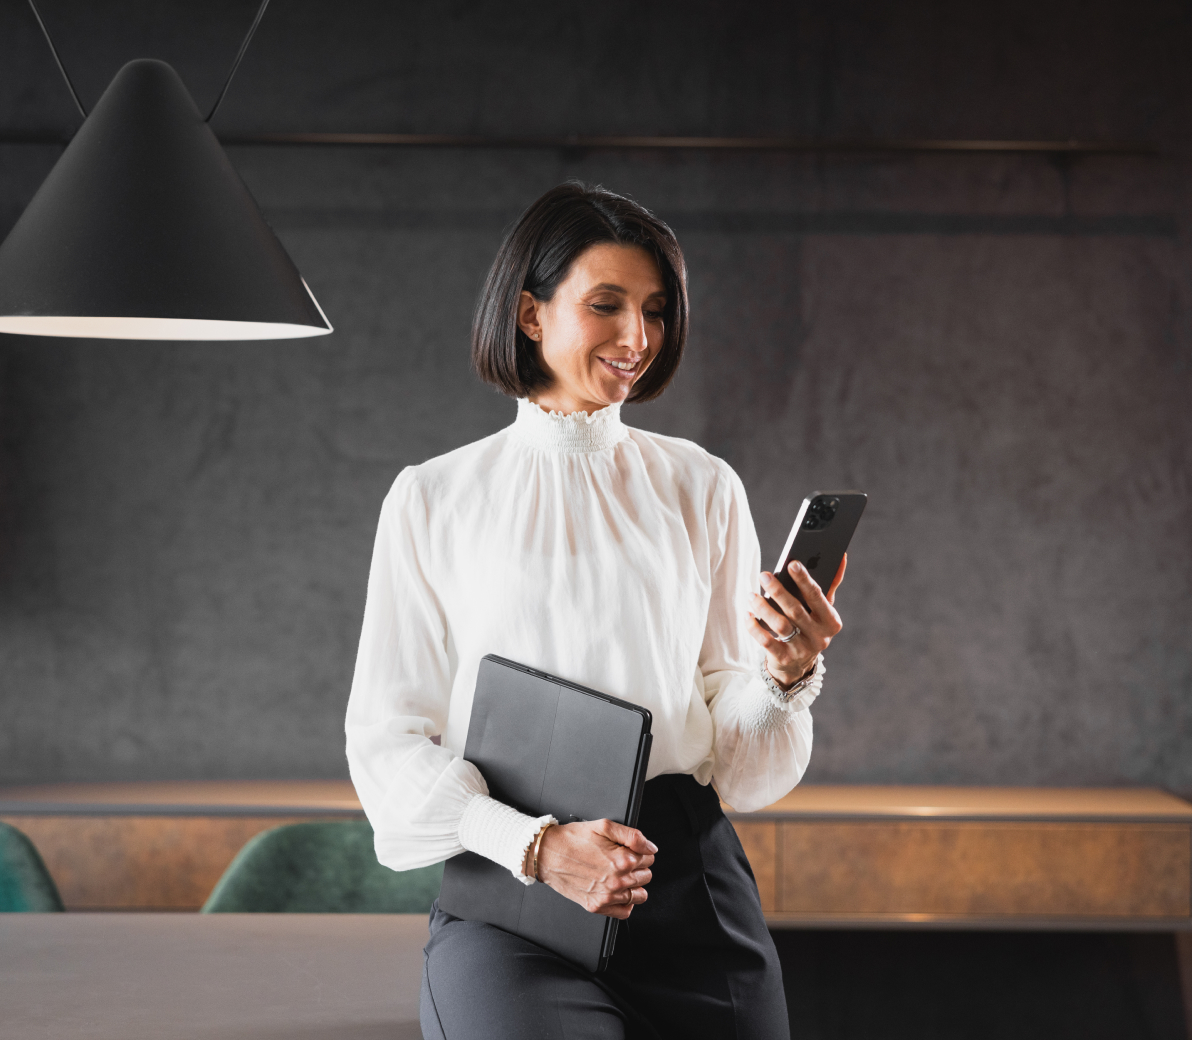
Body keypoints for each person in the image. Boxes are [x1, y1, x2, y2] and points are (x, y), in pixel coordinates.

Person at [345, 182, 846, 1039]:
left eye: (654, 310)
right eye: (606, 304)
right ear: (531, 314)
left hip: (687, 882)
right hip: (513, 901)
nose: (638, 338)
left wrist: (785, 677)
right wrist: (538, 848)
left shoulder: (702, 485)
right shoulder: (432, 498)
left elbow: (731, 728)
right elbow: (385, 738)